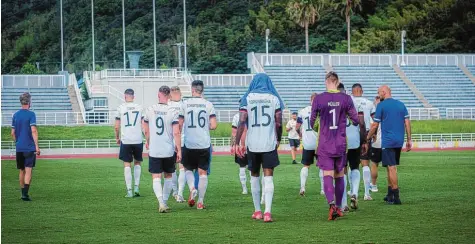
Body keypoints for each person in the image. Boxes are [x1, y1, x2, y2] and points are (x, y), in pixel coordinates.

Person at [309, 72, 361, 221]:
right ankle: (338, 207)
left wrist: (320, 126)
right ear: (337, 82)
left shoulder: (319, 98)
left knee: (327, 174)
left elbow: (312, 122)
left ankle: (331, 205)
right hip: (340, 143)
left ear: (326, 82)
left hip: (325, 143)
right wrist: (346, 120)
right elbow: (356, 120)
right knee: (339, 175)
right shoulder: (346, 98)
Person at [235, 73, 284, 223]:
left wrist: (237, 142)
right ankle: (268, 212)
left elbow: (242, 121)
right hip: (268, 143)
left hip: (253, 143)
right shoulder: (274, 99)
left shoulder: (247, 98)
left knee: (254, 176)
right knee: (268, 176)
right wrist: (279, 139)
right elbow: (279, 123)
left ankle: (257, 211)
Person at [367, 85, 412, 205]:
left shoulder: (381, 105)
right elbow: (407, 122)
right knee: (389, 167)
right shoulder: (401, 104)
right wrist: (409, 139)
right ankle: (389, 194)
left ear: (384, 92)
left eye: (379, 93)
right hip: (399, 141)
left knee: (391, 167)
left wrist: (367, 138)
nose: (378, 95)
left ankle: (396, 196)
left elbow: (375, 125)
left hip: (388, 141)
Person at [143, 86, 182, 213]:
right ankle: (164, 201)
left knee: (156, 177)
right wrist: (179, 150)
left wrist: (148, 141)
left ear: (159, 94)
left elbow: (146, 129)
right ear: (169, 95)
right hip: (168, 149)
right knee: (169, 176)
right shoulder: (173, 111)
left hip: (155, 148)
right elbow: (176, 133)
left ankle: (160, 202)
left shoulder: (150, 110)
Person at [182, 80, 217, 210]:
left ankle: (192, 188)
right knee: (203, 173)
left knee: (187, 169)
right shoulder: (208, 104)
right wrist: (203, 126)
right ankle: (200, 202)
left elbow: (179, 123)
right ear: (202, 90)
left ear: (192, 90)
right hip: (204, 143)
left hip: (189, 142)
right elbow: (213, 125)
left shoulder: (185, 104)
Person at [115, 89, 144, 198]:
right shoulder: (140, 107)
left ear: (125, 96)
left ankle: (129, 191)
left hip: (126, 140)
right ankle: (136, 187)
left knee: (127, 164)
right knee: (137, 163)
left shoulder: (120, 108)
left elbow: (116, 126)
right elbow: (143, 125)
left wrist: (117, 138)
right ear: (133, 96)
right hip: (137, 139)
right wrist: (147, 138)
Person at [11, 92, 40, 201]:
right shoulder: (31, 114)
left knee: (21, 170)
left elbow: (12, 133)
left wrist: (17, 143)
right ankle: (25, 194)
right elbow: (34, 130)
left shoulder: (15, 115)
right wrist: (37, 146)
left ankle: (22, 193)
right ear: (29, 102)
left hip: (19, 148)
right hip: (29, 148)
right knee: (28, 170)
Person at [350, 83, 375, 202]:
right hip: (365, 134)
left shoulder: (348, 101)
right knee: (365, 164)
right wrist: (373, 134)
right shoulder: (369, 103)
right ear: (362, 91)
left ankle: (352, 191)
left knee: (352, 164)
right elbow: (375, 120)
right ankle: (366, 193)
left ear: (352, 91)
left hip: (351, 134)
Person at [296, 93, 324, 196]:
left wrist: (300, 135)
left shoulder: (302, 111)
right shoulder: (322, 110)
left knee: (306, 165)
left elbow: (297, 127)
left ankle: (302, 187)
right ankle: (323, 189)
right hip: (319, 143)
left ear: (310, 100)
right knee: (322, 167)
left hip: (307, 143)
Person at [345, 94, 367, 210]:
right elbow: (361, 123)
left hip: (341, 141)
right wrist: (364, 141)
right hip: (354, 141)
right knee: (355, 167)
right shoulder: (356, 104)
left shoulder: (334, 102)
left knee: (341, 171)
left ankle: (343, 203)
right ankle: (355, 193)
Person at [168, 86, 186, 203]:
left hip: (169, 140)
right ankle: (180, 193)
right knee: (182, 167)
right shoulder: (184, 105)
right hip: (183, 139)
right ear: (180, 94)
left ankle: (174, 192)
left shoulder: (167, 106)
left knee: (172, 168)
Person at [231, 112, 248, 194]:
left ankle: (244, 189)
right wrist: (233, 145)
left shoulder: (237, 116)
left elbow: (234, 132)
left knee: (242, 167)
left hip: (243, 145)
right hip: (253, 145)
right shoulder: (252, 114)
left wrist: (233, 146)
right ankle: (247, 188)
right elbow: (234, 132)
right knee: (252, 168)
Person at [369, 96, 382, 193]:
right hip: (388, 143)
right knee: (391, 166)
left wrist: (367, 138)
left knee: (374, 164)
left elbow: (372, 127)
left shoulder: (375, 114)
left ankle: (373, 185)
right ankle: (392, 186)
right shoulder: (389, 112)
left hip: (377, 142)